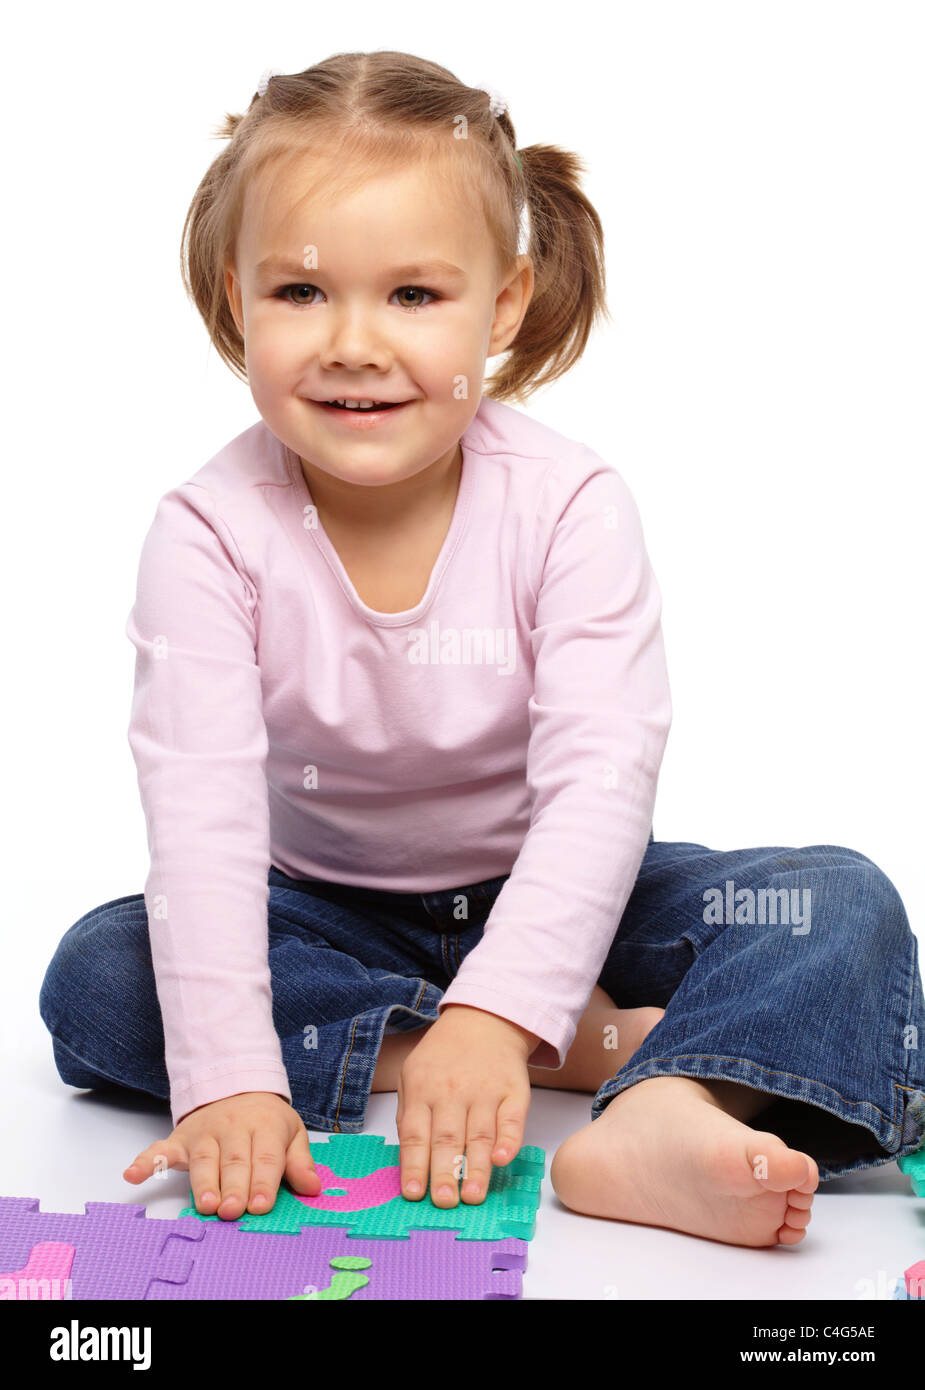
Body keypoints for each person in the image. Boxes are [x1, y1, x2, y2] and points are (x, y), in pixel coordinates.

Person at [39, 50, 925, 1250]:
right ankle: (581, 1049)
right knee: (100, 970)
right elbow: (199, 823)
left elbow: (598, 790)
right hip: (325, 911)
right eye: (300, 293)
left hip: (560, 884)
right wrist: (231, 1082)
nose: (355, 343)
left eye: (413, 295)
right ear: (235, 298)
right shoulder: (208, 532)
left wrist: (503, 999)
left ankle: (659, 1109)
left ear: (500, 307)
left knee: (835, 901)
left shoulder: (566, 503)